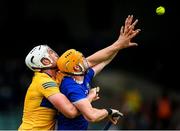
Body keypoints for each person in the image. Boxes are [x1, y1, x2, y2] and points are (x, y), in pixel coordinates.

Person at [56, 15, 140, 130]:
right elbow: (92, 116)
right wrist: (109, 111)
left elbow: (104, 61)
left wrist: (120, 44)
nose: (85, 59)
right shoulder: (71, 87)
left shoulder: (83, 76)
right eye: (81, 59)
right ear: (76, 68)